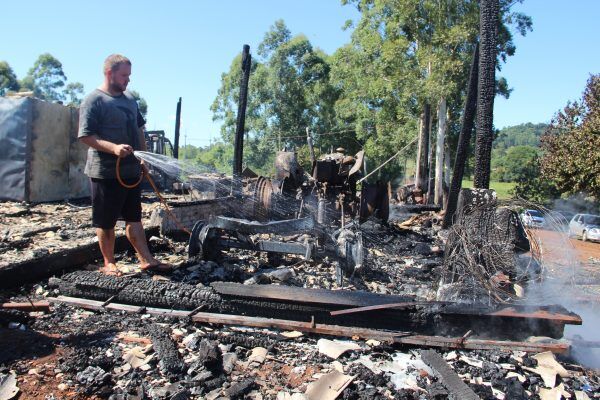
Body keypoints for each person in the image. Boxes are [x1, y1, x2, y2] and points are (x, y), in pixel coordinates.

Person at [78, 54, 171, 276]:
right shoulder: (93, 100)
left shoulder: (129, 100)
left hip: (131, 171)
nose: (127, 80)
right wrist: (113, 148)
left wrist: (143, 157)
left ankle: (146, 259)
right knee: (106, 220)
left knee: (134, 217)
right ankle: (109, 262)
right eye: (124, 76)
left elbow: (140, 129)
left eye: (129, 76)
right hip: (106, 172)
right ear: (109, 73)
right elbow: (86, 136)